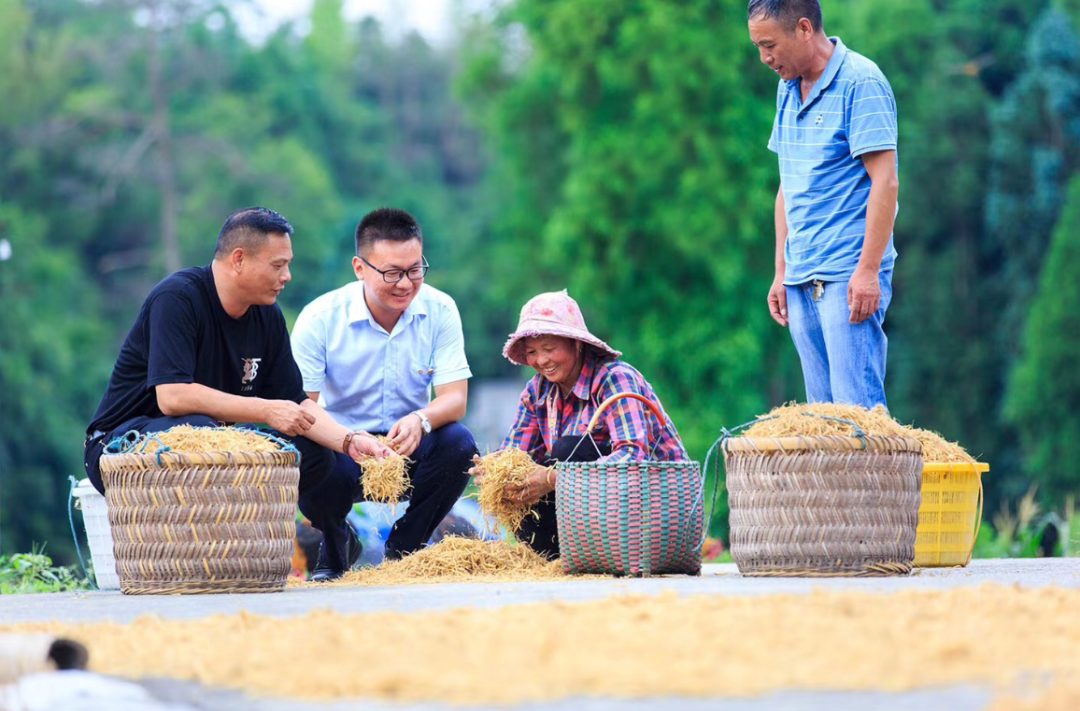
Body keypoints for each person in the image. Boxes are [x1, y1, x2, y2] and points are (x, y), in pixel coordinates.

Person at [84, 207, 392, 563]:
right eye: (278, 266)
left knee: (314, 453)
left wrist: (350, 441)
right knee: (200, 432)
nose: (287, 276)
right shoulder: (177, 298)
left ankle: (255, 542)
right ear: (239, 259)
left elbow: (296, 403)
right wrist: (265, 410)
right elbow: (172, 397)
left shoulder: (268, 314)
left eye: (288, 265)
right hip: (120, 447)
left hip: (214, 446)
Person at [291, 207, 477, 580]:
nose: (405, 283)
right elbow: (302, 408)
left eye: (415, 269)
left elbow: (455, 399)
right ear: (359, 268)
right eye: (391, 273)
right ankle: (337, 541)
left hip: (406, 445)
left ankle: (405, 548)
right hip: (343, 449)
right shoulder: (320, 317)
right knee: (301, 451)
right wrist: (347, 439)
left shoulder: (440, 310)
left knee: (459, 443)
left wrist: (421, 420)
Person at [748, 0, 900, 408]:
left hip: (848, 275)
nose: (764, 58)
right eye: (758, 48)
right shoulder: (787, 88)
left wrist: (868, 271)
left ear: (802, 28)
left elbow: (885, 183)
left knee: (858, 413)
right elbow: (788, 184)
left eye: (769, 45)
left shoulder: (861, 81)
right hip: (800, 277)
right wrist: (781, 270)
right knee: (824, 420)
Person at [472, 290, 689, 559]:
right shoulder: (536, 392)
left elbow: (633, 458)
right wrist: (496, 471)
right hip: (594, 516)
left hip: (650, 511)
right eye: (532, 352)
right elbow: (517, 454)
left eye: (549, 349)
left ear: (576, 345)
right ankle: (566, 558)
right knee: (518, 475)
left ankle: (593, 554)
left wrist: (552, 478)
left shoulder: (615, 379)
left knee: (567, 450)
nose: (541, 361)